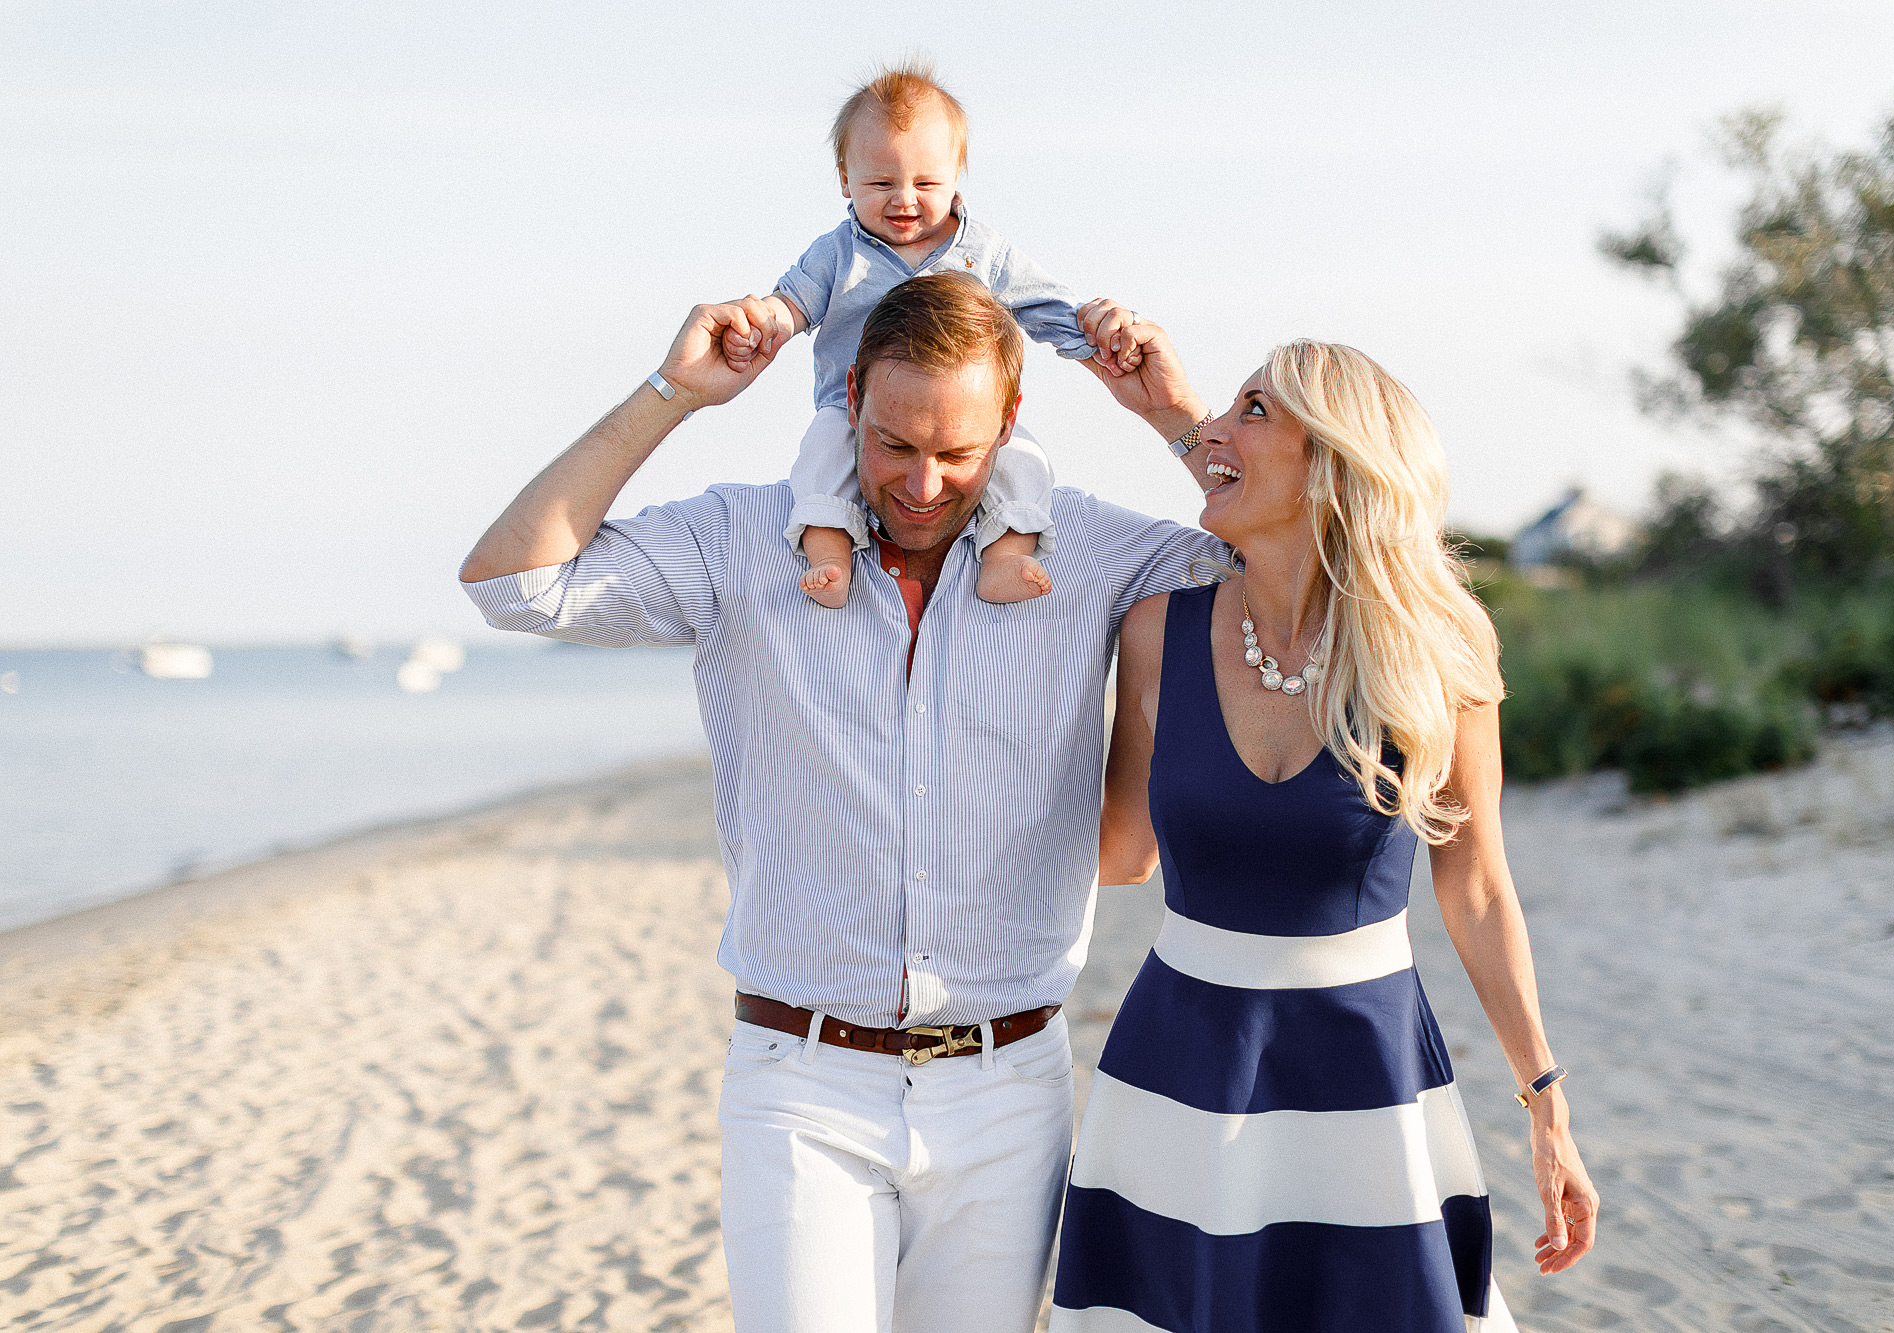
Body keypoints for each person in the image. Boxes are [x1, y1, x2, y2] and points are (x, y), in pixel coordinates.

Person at [458, 272, 1224, 1332]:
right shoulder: (737, 539)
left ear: (1010, 423)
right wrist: (670, 394)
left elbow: (1307, 565)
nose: (920, 483)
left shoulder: (1093, 552)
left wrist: (1175, 417)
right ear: (850, 397)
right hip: (799, 1084)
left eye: (957, 453)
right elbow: (512, 583)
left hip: (1009, 1089)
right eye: (891, 443)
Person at [1049, 342, 1598, 1331]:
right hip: (1177, 1070)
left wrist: (1545, 1103)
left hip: (1364, 1074)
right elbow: (1118, 851)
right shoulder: (1152, 634)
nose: (1215, 429)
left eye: (1252, 409)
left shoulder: (1438, 649)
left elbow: (1473, 886)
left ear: (1336, 462)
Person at [719, 60, 1137, 610]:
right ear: (845, 177)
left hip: (965, 419)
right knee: (820, 459)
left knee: (1023, 461)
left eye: (926, 183)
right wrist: (756, 325)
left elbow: (1046, 305)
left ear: (957, 175)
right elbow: (790, 304)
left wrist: (1100, 335)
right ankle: (829, 554)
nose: (904, 200)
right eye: (880, 183)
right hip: (857, 416)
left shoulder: (983, 253)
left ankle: (1007, 554)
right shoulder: (839, 254)